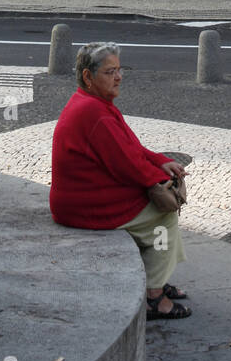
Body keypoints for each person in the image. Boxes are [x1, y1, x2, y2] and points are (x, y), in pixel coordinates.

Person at [50, 42, 191, 321]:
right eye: (110, 72)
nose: (119, 77)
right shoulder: (96, 112)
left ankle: (157, 281)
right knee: (164, 217)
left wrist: (160, 161)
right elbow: (129, 165)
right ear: (88, 77)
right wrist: (166, 183)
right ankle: (153, 297)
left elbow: (130, 147)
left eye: (119, 69)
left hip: (83, 195)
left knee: (159, 208)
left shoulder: (91, 103)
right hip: (84, 205)